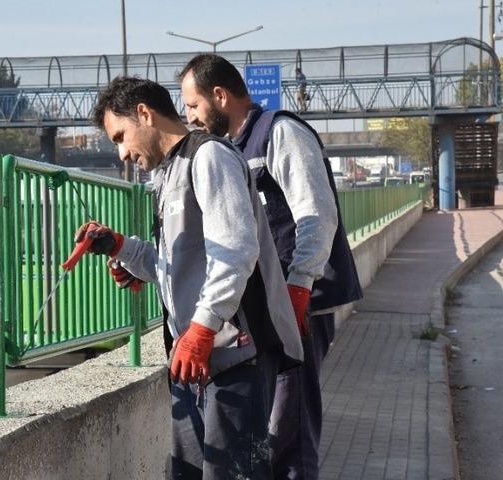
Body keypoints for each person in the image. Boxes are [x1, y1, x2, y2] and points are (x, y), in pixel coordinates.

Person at [79, 76, 303, 479]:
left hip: (235, 355)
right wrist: (120, 248)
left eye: (120, 136)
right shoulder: (168, 176)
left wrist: (201, 329)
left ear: (144, 114)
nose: (122, 154)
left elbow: (236, 251)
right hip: (195, 359)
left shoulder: (209, 157)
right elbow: (178, 265)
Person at [178, 54, 363, 480]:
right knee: (270, 429)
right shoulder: (229, 149)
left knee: (289, 428)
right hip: (269, 309)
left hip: (297, 306)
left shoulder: (280, 133)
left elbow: (317, 215)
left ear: (220, 96)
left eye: (192, 106)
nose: (189, 117)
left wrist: (298, 289)